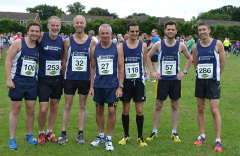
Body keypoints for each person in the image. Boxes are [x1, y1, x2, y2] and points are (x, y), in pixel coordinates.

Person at [146, 21, 192, 142]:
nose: (170, 31)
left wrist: (184, 72)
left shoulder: (181, 45)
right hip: (162, 80)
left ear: (176, 31)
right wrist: (152, 72)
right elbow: (147, 56)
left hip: (175, 80)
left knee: (174, 105)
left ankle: (174, 132)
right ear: (165, 31)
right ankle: (154, 131)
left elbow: (189, 58)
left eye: (173, 29)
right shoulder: (158, 44)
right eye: (168, 29)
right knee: (158, 105)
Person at [58, 15, 96, 145]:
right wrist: (63, 78)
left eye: (81, 23)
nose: (79, 25)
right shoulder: (67, 41)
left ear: (85, 25)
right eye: (77, 23)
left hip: (84, 79)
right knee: (67, 105)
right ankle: (63, 133)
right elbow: (64, 61)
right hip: (70, 78)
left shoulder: (91, 42)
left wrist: (92, 84)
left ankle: (80, 133)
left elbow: (92, 65)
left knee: (82, 105)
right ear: (73, 25)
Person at [5, 22, 41, 150]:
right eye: (32, 31)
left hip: (32, 82)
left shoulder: (38, 46)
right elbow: (8, 60)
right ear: (27, 31)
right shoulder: (18, 43)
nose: (34, 33)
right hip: (18, 81)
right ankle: (12, 139)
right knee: (15, 110)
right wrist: (9, 79)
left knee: (31, 110)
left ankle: (29, 135)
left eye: (37, 31)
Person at [89, 24, 124, 151]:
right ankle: (101, 135)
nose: (104, 36)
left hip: (112, 85)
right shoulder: (94, 49)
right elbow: (92, 68)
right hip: (98, 85)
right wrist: (91, 86)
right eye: (102, 33)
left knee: (111, 111)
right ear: (99, 35)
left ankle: (109, 138)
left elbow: (121, 68)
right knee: (99, 110)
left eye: (107, 33)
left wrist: (120, 87)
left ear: (111, 34)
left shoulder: (117, 48)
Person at [192, 22, 225, 152]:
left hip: (213, 82)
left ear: (209, 30)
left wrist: (216, 77)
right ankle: (202, 136)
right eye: (200, 30)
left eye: (204, 29)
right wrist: (202, 75)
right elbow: (196, 64)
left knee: (214, 110)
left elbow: (222, 64)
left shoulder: (218, 44)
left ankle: (218, 140)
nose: (202, 32)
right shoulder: (196, 47)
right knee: (200, 108)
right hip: (200, 81)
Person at [118, 22, 148, 146]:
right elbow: (120, 66)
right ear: (128, 32)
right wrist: (120, 84)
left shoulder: (143, 45)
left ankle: (140, 137)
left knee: (139, 110)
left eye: (137, 31)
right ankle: (126, 135)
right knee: (125, 109)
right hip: (126, 82)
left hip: (139, 83)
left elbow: (143, 63)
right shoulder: (121, 46)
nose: (135, 33)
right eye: (132, 31)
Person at [37, 16, 64, 146]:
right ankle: (41, 132)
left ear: (60, 27)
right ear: (48, 26)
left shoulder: (62, 41)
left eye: (57, 26)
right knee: (43, 109)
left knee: (54, 105)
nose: (55, 28)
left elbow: (63, 60)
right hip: (43, 79)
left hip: (57, 79)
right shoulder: (41, 36)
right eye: (52, 25)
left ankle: (49, 132)